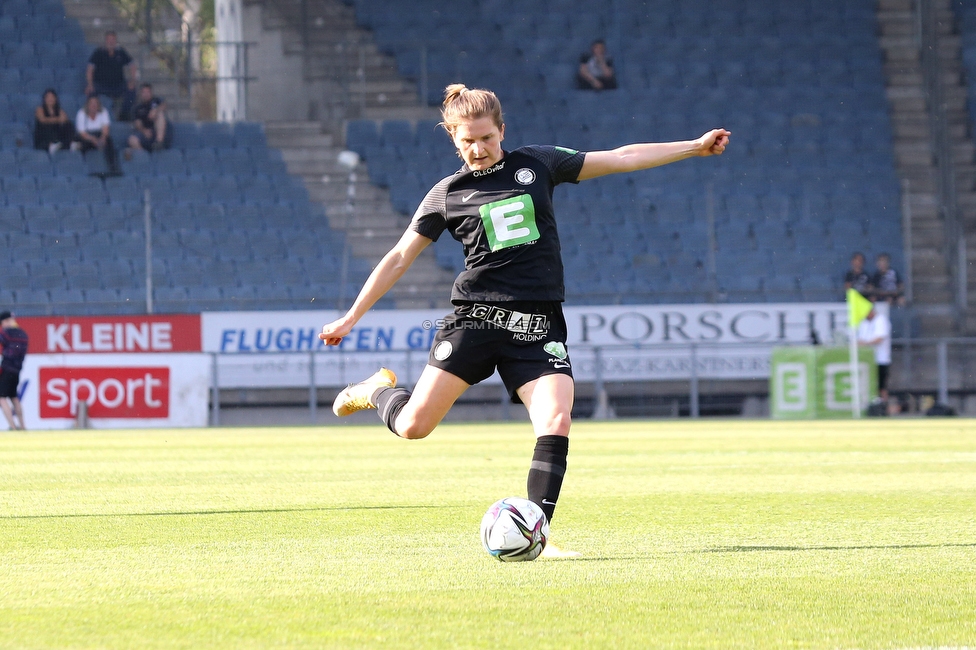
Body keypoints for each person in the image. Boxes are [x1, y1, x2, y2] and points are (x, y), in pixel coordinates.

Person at [320, 84, 730, 557]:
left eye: (487, 138)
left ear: (502, 131)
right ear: (453, 138)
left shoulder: (537, 163)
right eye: (467, 141)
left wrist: (693, 147)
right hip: (476, 318)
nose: (478, 149)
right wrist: (351, 317)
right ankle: (375, 389)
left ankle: (540, 534)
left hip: (538, 322)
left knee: (556, 419)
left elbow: (621, 157)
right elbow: (397, 257)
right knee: (413, 426)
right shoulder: (447, 195)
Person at [85, 31, 137, 121]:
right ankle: (96, 117)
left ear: (116, 41)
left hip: (118, 85)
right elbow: (90, 69)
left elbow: (132, 65)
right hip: (101, 85)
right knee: (90, 91)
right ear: (105, 41)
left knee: (132, 90)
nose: (111, 42)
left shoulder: (121, 52)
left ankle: (124, 114)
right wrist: (90, 84)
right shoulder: (98, 53)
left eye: (113, 40)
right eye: (109, 40)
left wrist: (133, 80)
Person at [75, 95, 121, 177]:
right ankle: (86, 170)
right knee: (82, 144)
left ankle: (113, 167)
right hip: (87, 136)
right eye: (91, 103)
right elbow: (82, 133)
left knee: (109, 141)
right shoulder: (81, 113)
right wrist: (93, 139)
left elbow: (106, 128)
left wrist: (103, 139)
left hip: (99, 134)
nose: (94, 105)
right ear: (87, 105)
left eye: (95, 103)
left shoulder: (103, 111)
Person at [0, 311, 28, 431]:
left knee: (1, 397)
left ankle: (13, 427)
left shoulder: (6, 333)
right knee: (14, 397)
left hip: (7, 368)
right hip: (17, 370)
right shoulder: (23, 334)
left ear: (5, 321)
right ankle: (22, 426)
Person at [857, 306, 892, 402]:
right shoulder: (864, 323)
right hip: (867, 360)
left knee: (881, 386)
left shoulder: (881, 320)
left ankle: (883, 407)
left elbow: (879, 338)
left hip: (881, 359)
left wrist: (865, 344)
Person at [128, 83, 171, 152]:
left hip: (158, 132)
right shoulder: (137, 107)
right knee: (132, 140)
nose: (146, 94)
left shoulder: (156, 100)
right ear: (140, 94)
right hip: (145, 132)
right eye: (144, 92)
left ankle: (159, 143)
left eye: (148, 92)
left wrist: (156, 110)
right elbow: (137, 123)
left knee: (160, 114)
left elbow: (164, 106)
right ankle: (145, 156)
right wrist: (144, 131)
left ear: (151, 93)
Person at [33, 89, 75, 154]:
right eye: (48, 97)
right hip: (44, 137)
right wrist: (58, 119)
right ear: (44, 99)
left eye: (52, 97)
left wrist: (59, 120)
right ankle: (51, 145)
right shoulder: (40, 109)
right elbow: (42, 120)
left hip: (56, 135)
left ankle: (70, 143)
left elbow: (65, 119)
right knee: (46, 125)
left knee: (68, 124)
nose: (50, 99)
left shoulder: (59, 110)